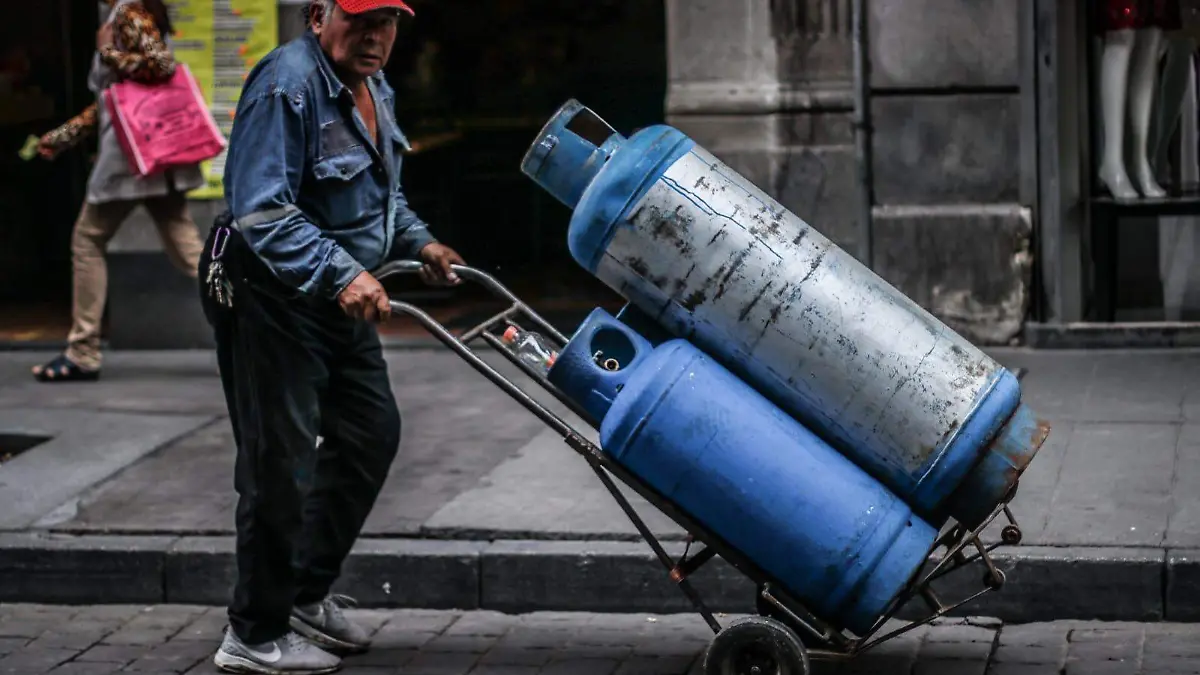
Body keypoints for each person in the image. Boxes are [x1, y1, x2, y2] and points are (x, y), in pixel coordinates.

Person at [201, 0, 466, 672]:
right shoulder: (286, 86)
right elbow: (263, 210)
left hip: (336, 293)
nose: (377, 34)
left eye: (390, 21)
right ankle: (253, 633)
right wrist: (342, 273)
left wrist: (422, 242)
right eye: (361, 18)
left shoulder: (373, 86)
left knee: (372, 431)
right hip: (272, 292)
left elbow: (382, 195)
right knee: (278, 460)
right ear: (318, 16)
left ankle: (301, 590)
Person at [32, 0, 205, 382]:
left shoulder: (127, 13)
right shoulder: (134, 12)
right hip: (155, 155)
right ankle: (265, 321)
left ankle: (82, 351)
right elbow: (116, 100)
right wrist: (63, 137)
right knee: (190, 252)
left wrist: (106, 50)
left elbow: (160, 66)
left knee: (87, 240)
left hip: (132, 157)